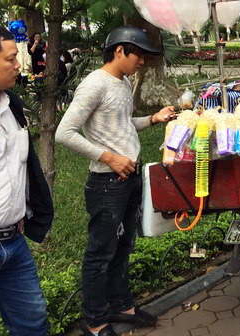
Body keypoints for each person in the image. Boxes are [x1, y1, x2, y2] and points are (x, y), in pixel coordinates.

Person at [56, 26, 176, 336]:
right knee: (101, 252)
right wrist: (109, 157)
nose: (143, 62)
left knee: (124, 246)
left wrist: (152, 118)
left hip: (129, 178)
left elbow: (121, 124)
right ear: (120, 50)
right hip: (106, 184)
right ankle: (94, 321)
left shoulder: (122, 83)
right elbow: (64, 133)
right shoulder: (94, 84)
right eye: (139, 54)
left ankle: (122, 306)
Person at [0, 25, 54, 336]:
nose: (19, 64)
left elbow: (22, 167)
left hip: (13, 243)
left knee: (32, 324)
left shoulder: (12, 106)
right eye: (10, 59)